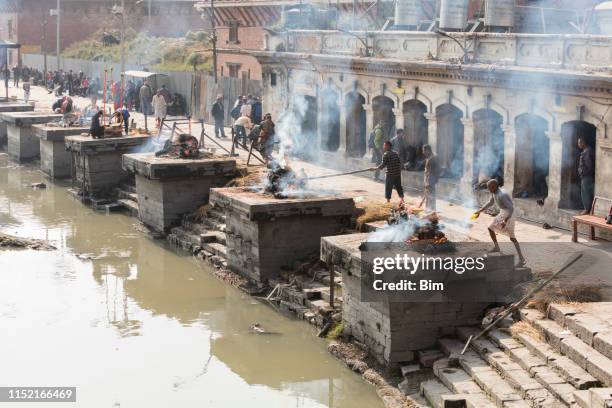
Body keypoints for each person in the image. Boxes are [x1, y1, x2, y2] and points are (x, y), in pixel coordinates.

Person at [474, 179, 526, 267]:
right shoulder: (494, 192)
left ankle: (521, 259)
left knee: (512, 238)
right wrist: (480, 210)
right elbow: (491, 202)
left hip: (509, 214)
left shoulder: (502, 195)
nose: (488, 189)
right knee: (490, 228)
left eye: (489, 187)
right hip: (503, 212)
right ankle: (497, 247)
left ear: (494, 187)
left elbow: (511, 208)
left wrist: (505, 221)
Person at [577, 137, 595, 215]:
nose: (578, 145)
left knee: (585, 193)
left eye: (579, 143)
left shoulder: (587, 152)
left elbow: (589, 166)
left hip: (586, 176)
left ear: (583, 143)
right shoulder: (586, 151)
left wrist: (582, 172)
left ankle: (587, 209)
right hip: (586, 176)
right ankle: (588, 208)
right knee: (587, 192)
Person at [423, 144, 441, 210]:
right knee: (431, 196)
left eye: (424, 151)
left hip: (430, 180)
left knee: (430, 196)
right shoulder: (433, 157)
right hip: (432, 180)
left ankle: (430, 210)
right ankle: (431, 209)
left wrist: (427, 183)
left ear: (427, 150)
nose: (423, 152)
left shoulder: (431, 159)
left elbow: (429, 172)